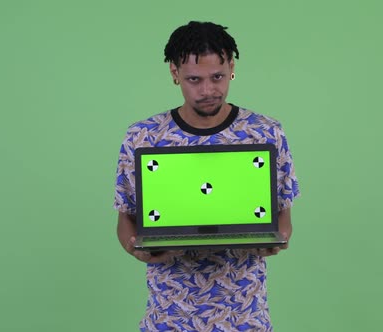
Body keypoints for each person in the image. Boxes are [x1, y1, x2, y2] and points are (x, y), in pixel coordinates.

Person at [114, 21, 300, 332]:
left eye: (217, 77)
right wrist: (138, 250)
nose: (208, 91)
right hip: (171, 314)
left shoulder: (265, 133)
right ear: (174, 73)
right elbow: (126, 221)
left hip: (243, 314)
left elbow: (283, 216)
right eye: (194, 80)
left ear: (231, 67)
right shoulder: (144, 137)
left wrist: (275, 240)